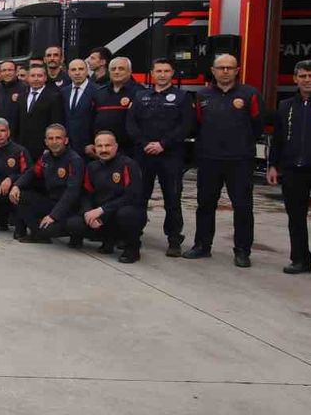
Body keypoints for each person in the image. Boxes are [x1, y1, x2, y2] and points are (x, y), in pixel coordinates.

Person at [185, 54, 263, 267]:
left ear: (237, 70)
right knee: (205, 205)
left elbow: (257, 125)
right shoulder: (202, 96)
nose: (225, 71)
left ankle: (242, 251)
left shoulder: (250, 94)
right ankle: (202, 246)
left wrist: (241, 144)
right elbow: (196, 125)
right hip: (209, 159)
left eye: (230, 67)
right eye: (221, 68)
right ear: (213, 70)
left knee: (243, 207)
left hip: (240, 161)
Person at [126, 57, 194, 257]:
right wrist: (144, 143)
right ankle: (134, 236)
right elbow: (131, 123)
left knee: (172, 199)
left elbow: (186, 126)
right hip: (144, 154)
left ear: (172, 73)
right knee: (139, 198)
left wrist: (163, 144)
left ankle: (174, 239)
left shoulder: (182, 97)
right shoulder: (140, 96)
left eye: (166, 71)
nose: (162, 75)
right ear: (152, 74)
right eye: (159, 71)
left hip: (170, 156)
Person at [267, 59, 311, 277]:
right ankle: (300, 260)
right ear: (295, 79)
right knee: (296, 218)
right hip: (293, 171)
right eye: (303, 76)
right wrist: (273, 165)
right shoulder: (286, 106)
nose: (307, 80)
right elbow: (278, 139)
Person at [65, 131, 147, 263]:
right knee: (73, 224)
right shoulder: (92, 167)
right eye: (100, 146)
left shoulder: (128, 164)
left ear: (116, 146)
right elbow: (86, 194)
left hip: (123, 212)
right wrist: (88, 212)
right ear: (95, 148)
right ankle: (107, 240)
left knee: (126, 214)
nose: (104, 150)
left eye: (108, 145)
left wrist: (102, 210)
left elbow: (132, 196)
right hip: (103, 217)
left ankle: (132, 249)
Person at [11, 124, 84, 244]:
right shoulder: (46, 157)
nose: (54, 142)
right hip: (51, 202)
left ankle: (73, 235)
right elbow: (32, 173)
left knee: (49, 229)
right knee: (20, 196)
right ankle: (38, 235)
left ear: (66, 140)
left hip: (69, 208)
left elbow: (72, 193)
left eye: (58, 138)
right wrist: (16, 185)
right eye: (50, 138)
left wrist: (53, 216)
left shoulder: (74, 160)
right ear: (46, 142)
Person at [89, 57, 142, 159]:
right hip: (103, 149)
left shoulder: (139, 92)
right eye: (113, 69)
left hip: (131, 150)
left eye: (121, 69)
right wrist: (90, 142)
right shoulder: (99, 93)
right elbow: (91, 120)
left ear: (130, 71)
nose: (116, 72)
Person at [18, 65, 65, 161]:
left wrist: (49, 147)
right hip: (23, 146)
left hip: (43, 147)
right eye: (33, 76)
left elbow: (55, 122)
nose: (36, 79)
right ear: (28, 78)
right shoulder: (21, 96)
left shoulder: (54, 97)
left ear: (45, 78)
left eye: (39, 76)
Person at [61, 58, 95, 155]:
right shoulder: (64, 92)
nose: (77, 73)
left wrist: (93, 142)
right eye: (73, 70)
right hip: (67, 146)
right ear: (68, 73)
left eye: (81, 69)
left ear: (87, 71)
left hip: (88, 146)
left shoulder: (97, 91)